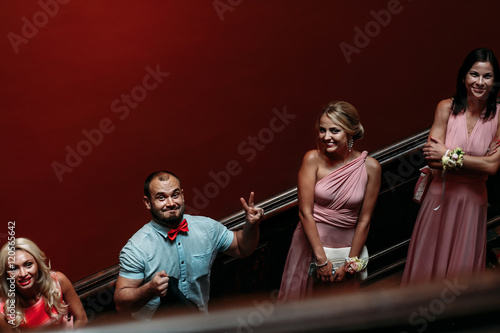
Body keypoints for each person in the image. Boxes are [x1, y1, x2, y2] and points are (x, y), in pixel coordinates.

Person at [402, 47, 500, 285]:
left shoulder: (499, 115)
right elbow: (431, 158)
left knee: (461, 268)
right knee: (428, 262)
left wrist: (448, 154)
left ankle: (453, 318)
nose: (479, 82)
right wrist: (476, 161)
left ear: (495, 81)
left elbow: (492, 167)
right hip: (439, 197)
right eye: (474, 74)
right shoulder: (446, 107)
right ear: (464, 76)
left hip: (472, 201)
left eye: (487, 76)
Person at [114, 171, 264, 320]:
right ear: (148, 203)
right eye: (161, 197)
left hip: (199, 324)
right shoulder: (137, 247)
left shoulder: (207, 228)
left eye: (175, 195)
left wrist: (251, 225)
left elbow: (241, 247)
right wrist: (149, 289)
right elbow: (122, 305)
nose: (171, 203)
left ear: (183, 195)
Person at [278, 101, 381, 301]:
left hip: (347, 246)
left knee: (339, 305)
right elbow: (304, 212)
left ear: (350, 132)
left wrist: (350, 262)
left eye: (334, 131)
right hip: (310, 245)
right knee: (302, 304)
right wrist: (321, 259)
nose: (326, 137)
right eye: (323, 130)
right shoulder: (312, 159)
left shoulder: (371, 167)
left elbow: (365, 219)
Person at [0, 238, 88, 331]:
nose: (23, 274)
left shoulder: (58, 281)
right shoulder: (3, 312)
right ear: (6, 274)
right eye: (14, 269)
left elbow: (81, 318)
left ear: (38, 264)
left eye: (28, 264)